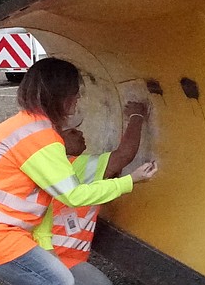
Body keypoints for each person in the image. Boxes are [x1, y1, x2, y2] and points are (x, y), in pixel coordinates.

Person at [0, 58, 158, 285]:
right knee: (59, 280)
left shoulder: (26, 127)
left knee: (57, 278)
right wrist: (131, 180)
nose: (78, 99)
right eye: (75, 93)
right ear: (60, 96)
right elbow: (74, 196)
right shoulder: (41, 139)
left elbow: (43, 213)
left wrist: (48, 251)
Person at [33, 101, 150, 285]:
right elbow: (124, 155)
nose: (80, 133)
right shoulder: (76, 165)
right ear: (58, 141)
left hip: (43, 256)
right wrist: (137, 116)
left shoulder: (50, 166)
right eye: (72, 132)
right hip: (60, 258)